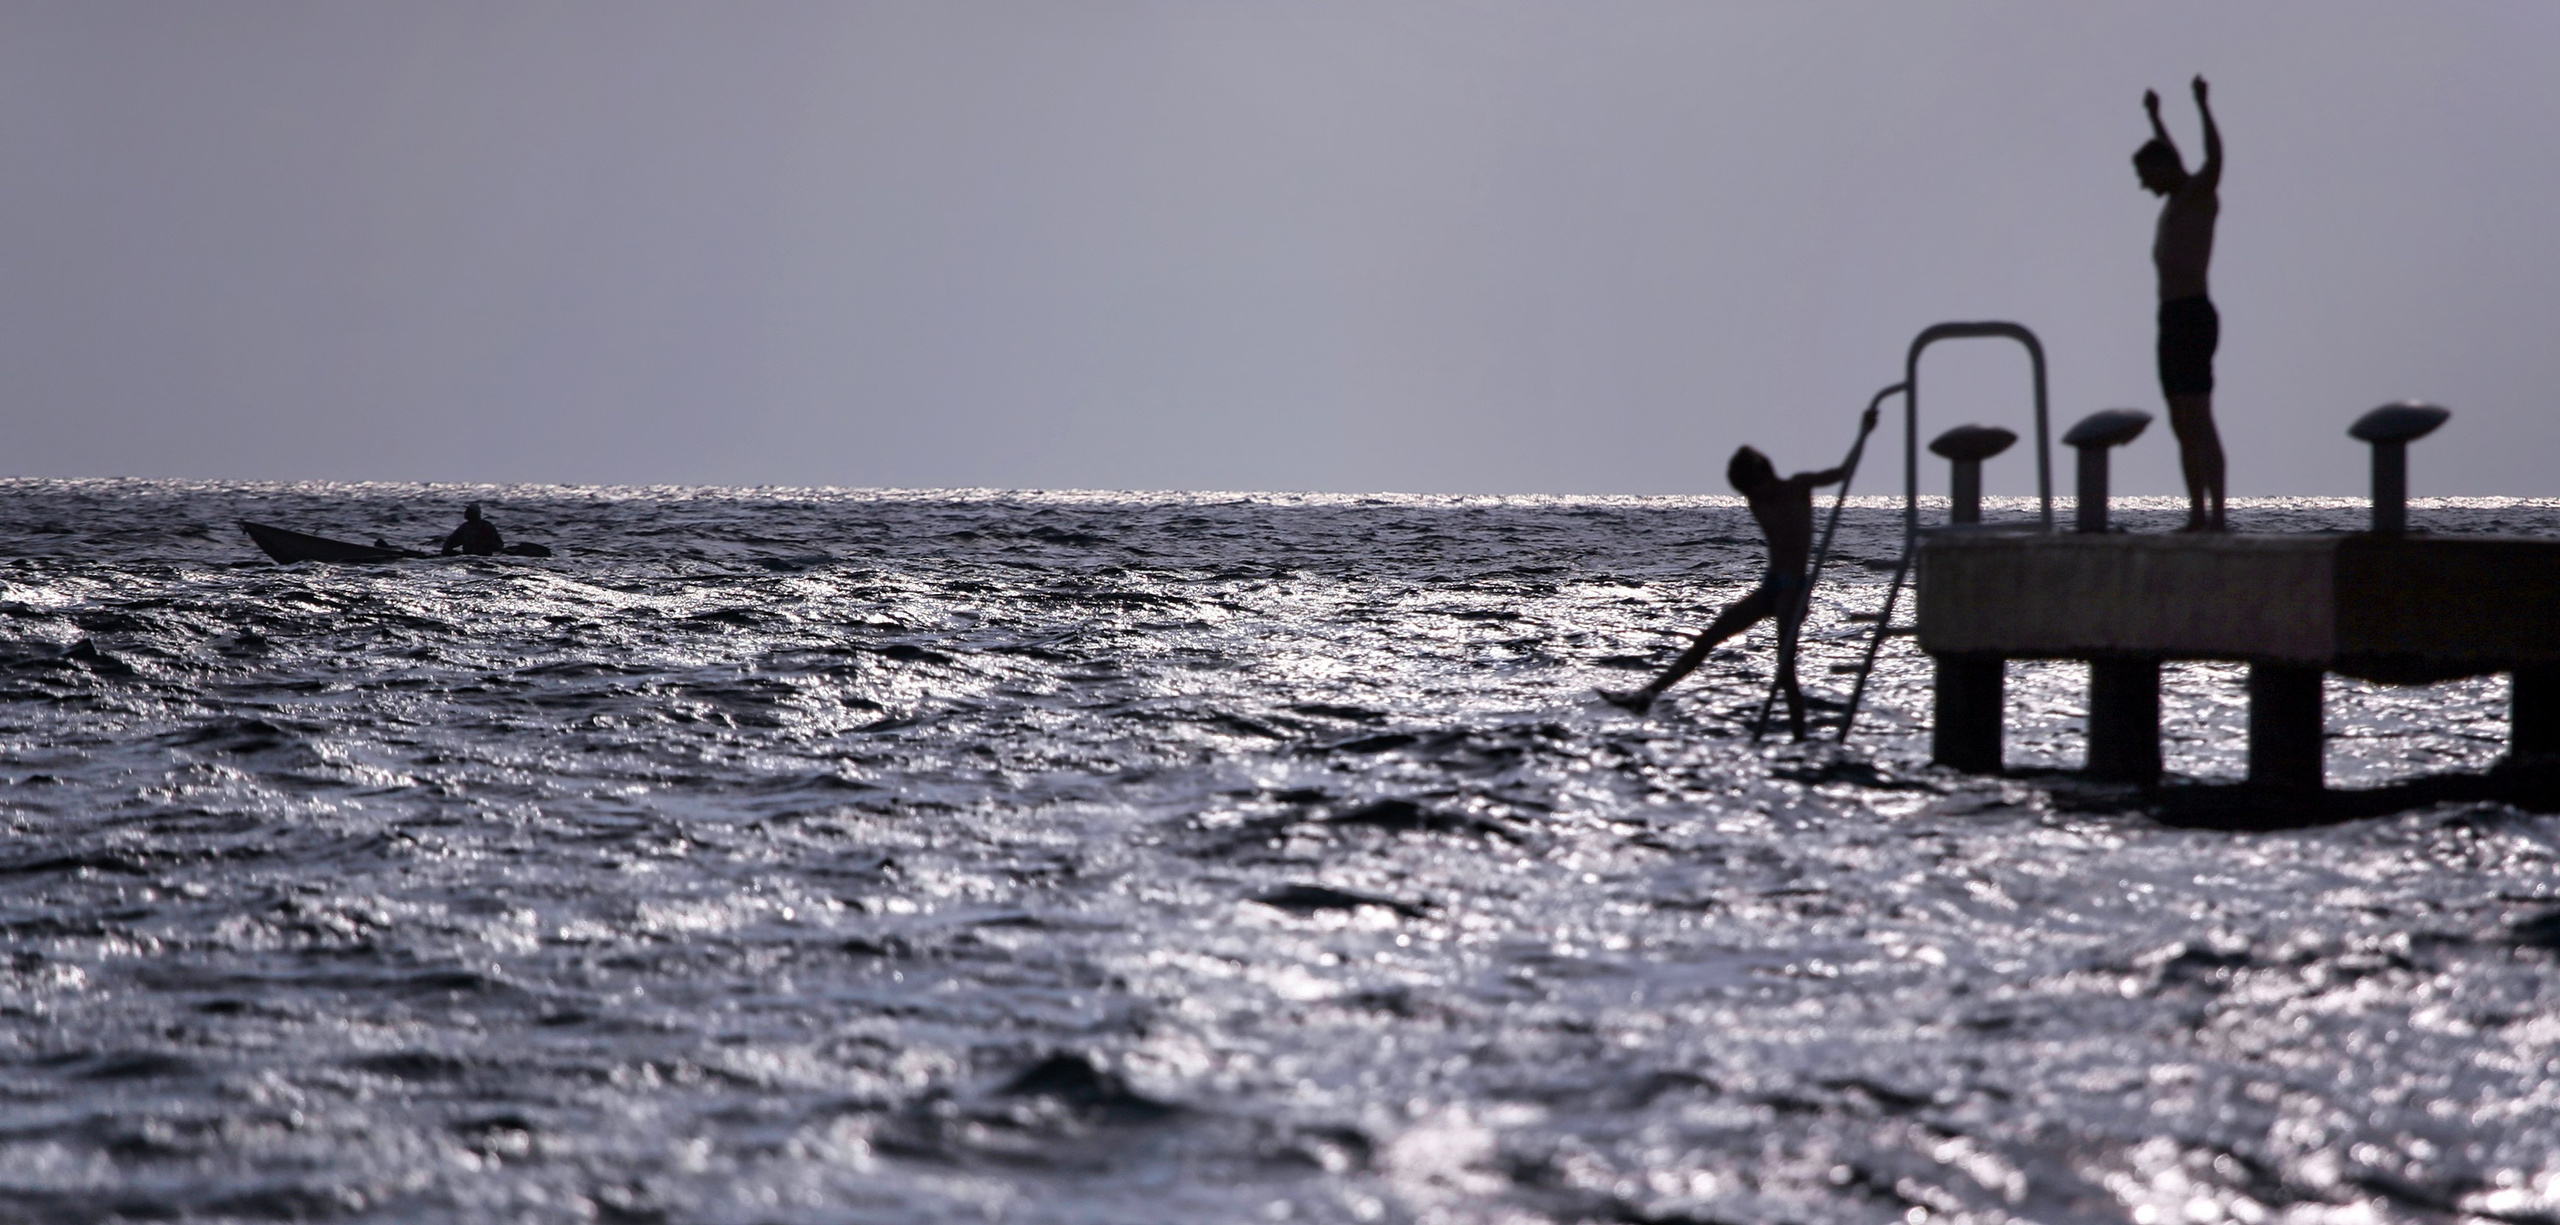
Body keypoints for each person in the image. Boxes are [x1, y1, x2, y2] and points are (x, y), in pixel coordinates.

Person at [1601, 406, 1873, 737]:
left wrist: (1863, 433)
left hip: (1793, 589)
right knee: (1707, 639)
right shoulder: (1757, 502)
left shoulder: (1799, 486)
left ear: (1763, 475)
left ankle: (1801, 738)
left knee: (1785, 669)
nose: (1750, 497)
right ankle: (1646, 695)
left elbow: (1843, 472)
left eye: (1750, 487)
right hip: (1771, 586)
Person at [2137, 75, 2225, 531]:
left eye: (2145, 177)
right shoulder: (2174, 201)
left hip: (2193, 313)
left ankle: (2217, 514)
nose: (2143, 186)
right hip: (2169, 317)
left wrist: (2201, 105)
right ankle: (2196, 513)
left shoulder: (2197, 196)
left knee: (2199, 415)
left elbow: (2212, 159)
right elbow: (2171, 157)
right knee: (2180, 422)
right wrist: (2155, 117)